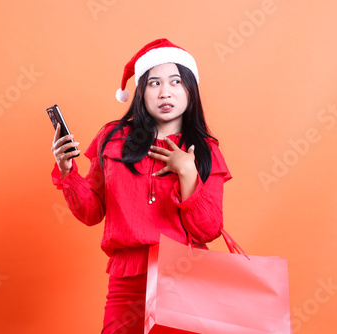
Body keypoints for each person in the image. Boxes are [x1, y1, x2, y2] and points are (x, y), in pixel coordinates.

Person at [50, 38, 231, 334]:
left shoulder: (204, 149)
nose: (165, 92)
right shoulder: (114, 138)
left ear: (190, 90)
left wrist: (187, 173)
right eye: (154, 83)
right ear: (141, 91)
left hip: (185, 275)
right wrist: (67, 171)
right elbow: (91, 212)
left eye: (175, 82)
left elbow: (208, 229)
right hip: (128, 276)